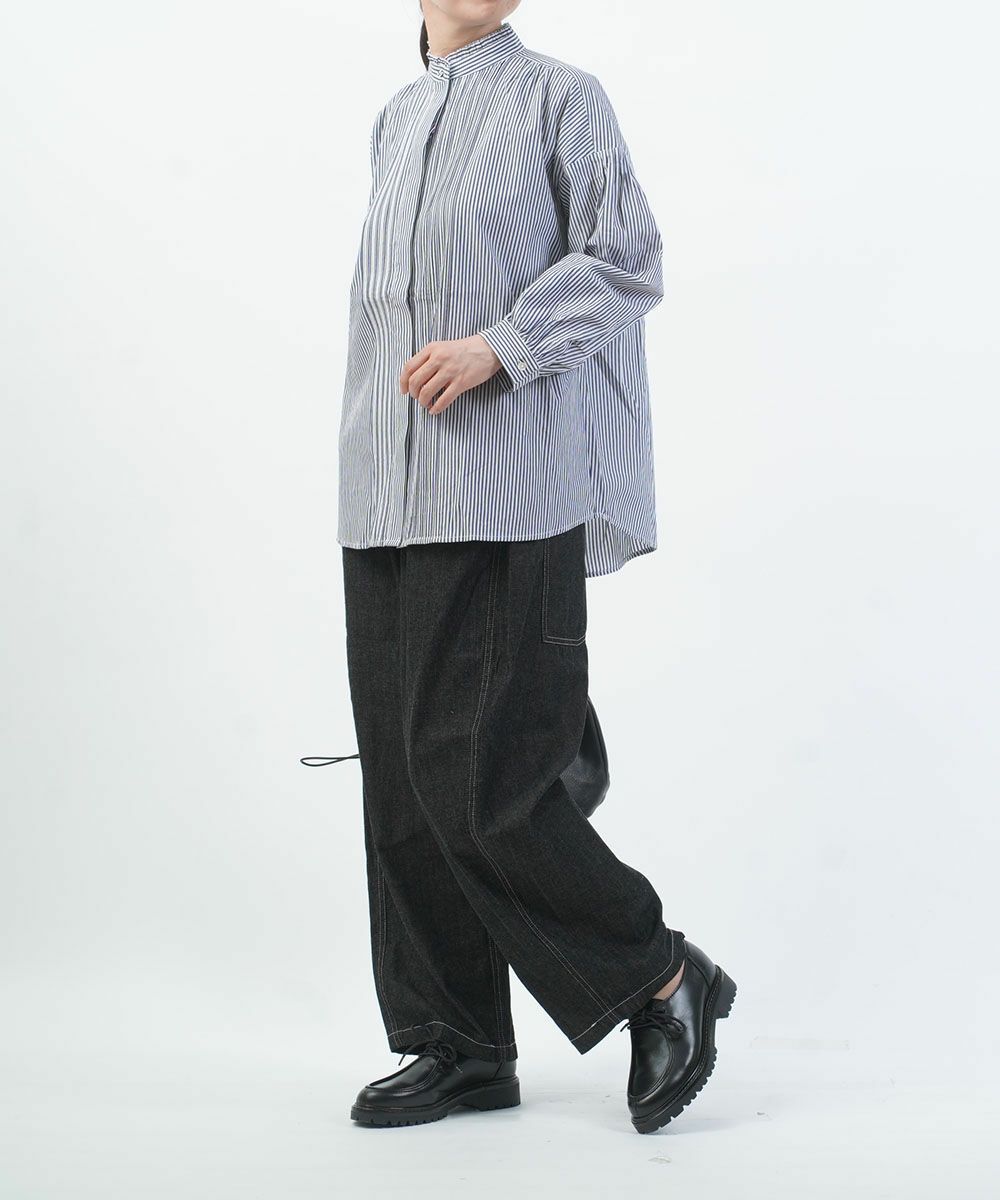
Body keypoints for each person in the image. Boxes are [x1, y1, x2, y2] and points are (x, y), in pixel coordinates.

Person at [328, 1, 737, 1133]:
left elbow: (627, 260)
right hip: (383, 495)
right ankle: (456, 1042)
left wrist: (500, 347)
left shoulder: (562, 98)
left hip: (505, 495)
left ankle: (660, 974)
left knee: (488, 784)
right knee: (404, 789)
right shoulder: (396, 118)